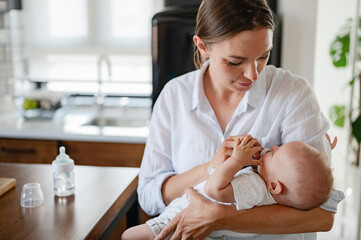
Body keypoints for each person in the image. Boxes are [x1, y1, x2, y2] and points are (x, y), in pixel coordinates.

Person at [138, 0, 345, 239]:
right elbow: (149, 196)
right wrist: (211, 168)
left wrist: (219, 218)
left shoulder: (293, 94)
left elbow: (322, 214)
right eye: (235, 61)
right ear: (203, 46)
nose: (253, 74)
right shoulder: (174, 95)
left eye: (263, 56)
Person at [122, 135, 334, 240]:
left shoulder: (254, 187)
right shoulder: (271, 190)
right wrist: (325, 152)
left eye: (275, 153)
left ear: (275, 186)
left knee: (129, 236)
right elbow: (307, 176)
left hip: (180, 218)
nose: (274, 146)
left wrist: (236, 160)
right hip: (193, 223)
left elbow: (214, 188)